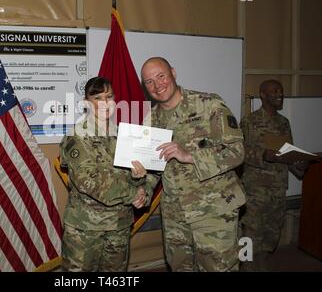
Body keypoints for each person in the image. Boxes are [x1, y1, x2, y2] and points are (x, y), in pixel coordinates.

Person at [140, 57, 246, 272]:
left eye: (161, 76)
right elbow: (154, 168)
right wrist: (144, 188)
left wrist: (190, 156)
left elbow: (237, 152)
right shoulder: (151, 121)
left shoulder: (209, 104)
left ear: (173, 73)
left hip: (214, 212)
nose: (157, 85)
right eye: (149, 81)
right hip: (174, 215)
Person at [59, 76, 159, 271]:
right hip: (86, 229)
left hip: (119, 225)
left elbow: (133, 176)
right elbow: (89, 182)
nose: (105, 103)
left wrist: (140, 182)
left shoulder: (124, 135)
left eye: (109, 97)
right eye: (98, 98)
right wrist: (132, 194)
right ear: (87, 103)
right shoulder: (77, 137)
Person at [239, 79, 307, 271]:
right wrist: (263, 155)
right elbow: (238, 152)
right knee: (250, 233)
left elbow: (288, 152)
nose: (280, 94)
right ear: (263, 95)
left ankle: (261, 261)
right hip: (255, 190)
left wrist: (298, 164)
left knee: (271, 232)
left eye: (281, 91)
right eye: (275, 91)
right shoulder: (250, 121)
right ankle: (246, 265)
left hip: (277, 188)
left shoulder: (284, 122)